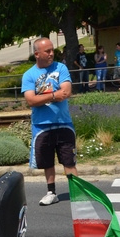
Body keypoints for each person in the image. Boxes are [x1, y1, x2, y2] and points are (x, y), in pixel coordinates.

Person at [21, 37, 78, 206]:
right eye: (48, 51)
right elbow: (30, 100)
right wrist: (54, 95)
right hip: (42, 125)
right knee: (47, 162)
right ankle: (51, 192)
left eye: (52, 50)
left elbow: (66, 91)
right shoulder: (29, 75)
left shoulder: (61, 68)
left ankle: (77, 192)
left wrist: (44, 97)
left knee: (69, 160)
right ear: (37, 54)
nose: (52, 53)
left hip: (63, 123)